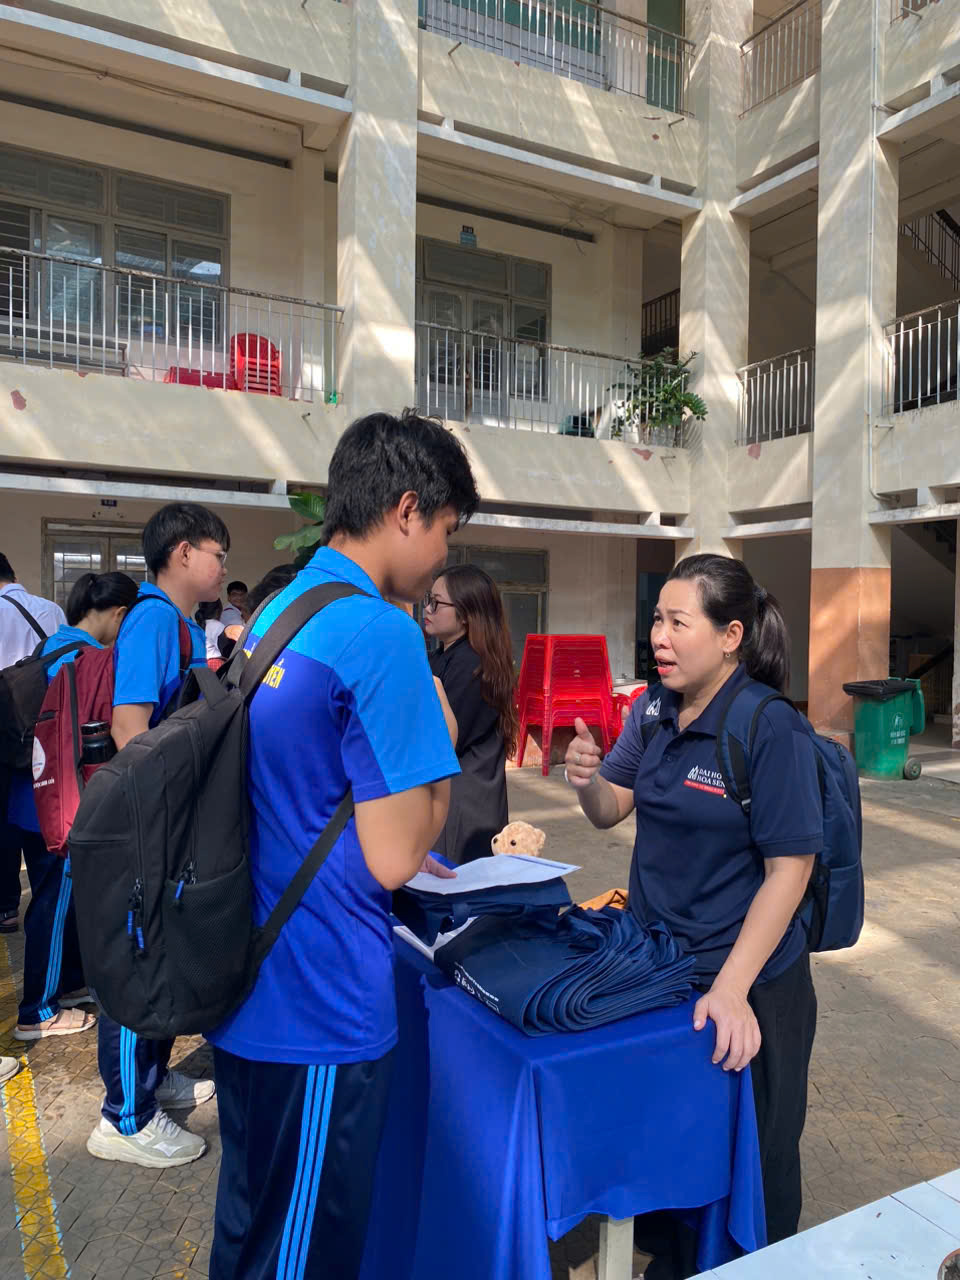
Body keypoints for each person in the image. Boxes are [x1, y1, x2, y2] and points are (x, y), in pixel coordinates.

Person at [206, 409, 479, 1280]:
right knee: (304, 1254)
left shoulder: (282, 608)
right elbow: (395, 859)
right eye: (445, 530)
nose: (442, 554)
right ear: (407, 510)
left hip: (247, 977)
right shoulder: (380, 630)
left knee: (249, 1227)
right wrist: (439, 752)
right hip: (321, 1003)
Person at [565, 553, 821, 1267]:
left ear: (731, 635)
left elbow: (790, 870)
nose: (660, 637)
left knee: (756, 1160)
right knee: (673, 1146)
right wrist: (586, 781)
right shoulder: (652, 709)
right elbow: (611, 809)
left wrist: (733, 989)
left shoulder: (768, 727)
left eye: (679, 623)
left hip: (749, 985)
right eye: (657, 619)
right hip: (664, 973)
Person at [85, 503, 228, 1169]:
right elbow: (129, 728)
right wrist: (162, 820)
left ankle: (151, 1077)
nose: (222, 566)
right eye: (216, 553)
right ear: (182, 553)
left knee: (162, 953)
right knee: (137, 960)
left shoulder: (181, 624)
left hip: (168, 821)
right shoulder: (151, 619)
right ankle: (123, 1117)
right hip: (147, 825)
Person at [12, 571, 139, 1041]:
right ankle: (37, 1011)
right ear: (119, 615)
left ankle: (65, 987)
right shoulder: (91, 660)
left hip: (29, 794)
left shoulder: (52, 647)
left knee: (54, 899)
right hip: (61, 803)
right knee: (53, 903)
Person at [424, 564, 517, 863]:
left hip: (463, 806)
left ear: (465, 614)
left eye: (436, 603)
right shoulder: (445, 656)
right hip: (467, 799)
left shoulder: (471, 665)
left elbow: (440, 740)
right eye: (428, 599)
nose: (427, 609)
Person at [0, 554, 66, 934]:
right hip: (45, 726)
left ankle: (6, 906)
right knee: (40, 811)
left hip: (4, 731)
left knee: (4, 820)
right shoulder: (51, 609)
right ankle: (47, 901)